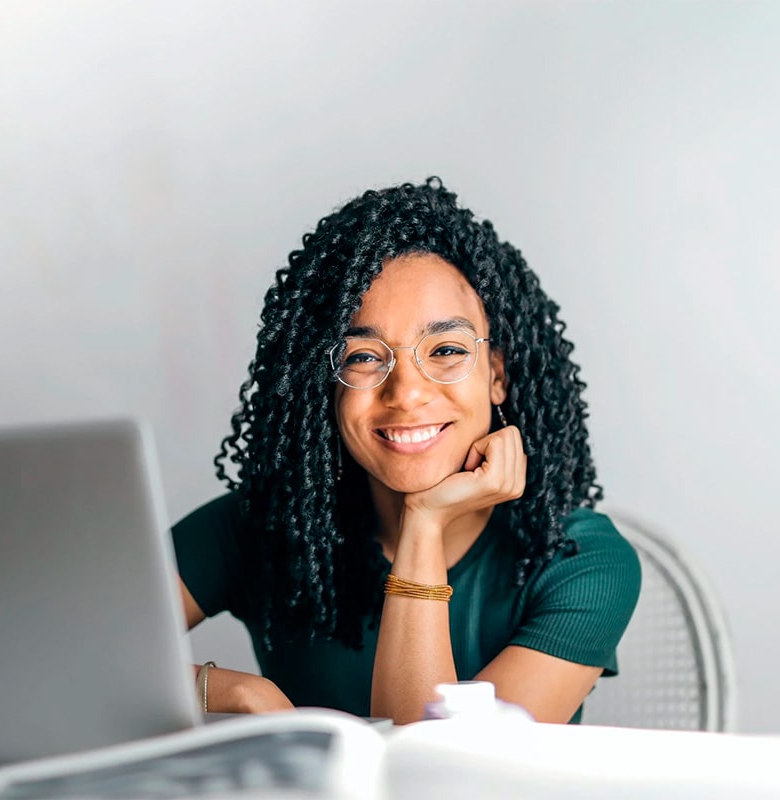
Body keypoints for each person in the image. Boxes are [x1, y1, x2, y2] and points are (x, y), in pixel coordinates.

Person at [172, 178, 641, 725]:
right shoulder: (262, 526)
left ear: (497, 375)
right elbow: (60, 656)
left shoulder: (581, 561)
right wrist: (233, 692)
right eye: (364, 357)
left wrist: (424, 522)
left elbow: (440, 777)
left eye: (445, 350)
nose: (407, 392)